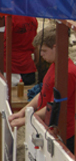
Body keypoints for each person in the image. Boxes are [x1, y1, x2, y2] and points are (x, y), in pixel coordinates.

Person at [9, 25, 76, 153]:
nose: (41, 54)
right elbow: (43, 93)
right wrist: (23, 112)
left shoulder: (67, 73)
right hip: (47, 127)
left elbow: (54, 105)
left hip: (61, 134)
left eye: (44, 50)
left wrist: (25, 120)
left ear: (56, 48)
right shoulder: (54, 66)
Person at [6, 15, 38, 85]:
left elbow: (2, 42)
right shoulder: (32, 17)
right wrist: (36, 61)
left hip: (11, 68)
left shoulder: (9, 17)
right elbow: (35, 43)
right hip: (27, 66)